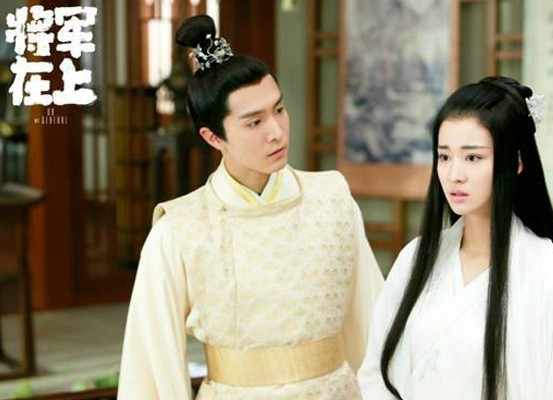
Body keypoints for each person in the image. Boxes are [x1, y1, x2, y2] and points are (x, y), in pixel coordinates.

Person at [117, 14, 383, 400]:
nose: (276, 131)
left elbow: (372, 323)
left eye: (279, 110)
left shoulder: (333, 200)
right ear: (213, 137)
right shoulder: (180, 229)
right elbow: (151, 365)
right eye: (254, 122)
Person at [357, 76, 553, 400]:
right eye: (444, 157)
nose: (454, 174)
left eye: (473, 157)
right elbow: (375, 373)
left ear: (515, 162)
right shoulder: (416, 259)